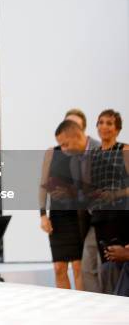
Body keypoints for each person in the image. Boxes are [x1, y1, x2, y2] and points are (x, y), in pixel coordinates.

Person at [40, 120, 89, 289]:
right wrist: (42, 215)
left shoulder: (83, 153)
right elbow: (43, 184)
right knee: (59, 267)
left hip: (78, 216)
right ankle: (65, 308)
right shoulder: (52, 152)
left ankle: (83, 307)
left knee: (78, 266)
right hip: (58, 216)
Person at [85, 109, 129, 292]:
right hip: (100, 218)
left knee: (118, 265)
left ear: (117, 129)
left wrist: (115, 194)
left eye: (109, 123)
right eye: (101, 122)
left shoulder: (124, 150)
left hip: (121, 217)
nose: (104, 126)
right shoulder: (92, 154)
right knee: (102, 267)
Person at [62, 108, 102, 292]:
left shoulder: (100, 150)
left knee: (101, 269)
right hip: (89, 220)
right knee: (88, 267)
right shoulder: (72, 158)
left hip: (109, 218)